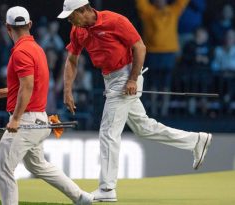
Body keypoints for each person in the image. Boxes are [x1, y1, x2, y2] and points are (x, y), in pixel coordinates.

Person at [57, 0, 212, 202]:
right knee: (143, 127)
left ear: (83, 10)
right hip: (110, 78)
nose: (69, 20)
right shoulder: (77, 30)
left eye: (71, 15)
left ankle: (107, 189)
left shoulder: (114, 20)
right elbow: (71, 60)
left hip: (125, 75)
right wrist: (67, 90)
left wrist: (132, 79)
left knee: (108, 131)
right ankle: (196, 140)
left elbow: (140, 47)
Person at [0, 6, 93, 205]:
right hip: (39, 118)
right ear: (30, 25)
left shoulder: (20, 52)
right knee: (38, 165)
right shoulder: (37, 49)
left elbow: (27, 86)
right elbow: (28, 86)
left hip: (26, 120)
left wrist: (15, 118)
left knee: (3, 168)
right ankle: (81, 197)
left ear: (8, 27)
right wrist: (1, 92)